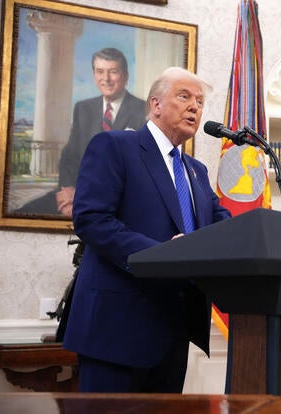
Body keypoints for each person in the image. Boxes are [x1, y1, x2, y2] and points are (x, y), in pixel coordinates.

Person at [62, 67, 232, 393]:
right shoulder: (115, 146)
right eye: (184, 96)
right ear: (155, 104)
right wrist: (161, 255)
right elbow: (92, 218)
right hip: (116, 329)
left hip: (174, 331)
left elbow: (220, 224)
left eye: (199, 101)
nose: (195, 106)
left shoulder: (196, 171)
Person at [16, 47, 146, 217]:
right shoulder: (83, 108)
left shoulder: (142, 110)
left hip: (117, 200)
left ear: (125, 76)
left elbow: (140, 168)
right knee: (24, 213)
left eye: (113, 72)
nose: (106, 79)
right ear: (94, 76)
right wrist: (69, 191)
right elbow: (69, 157)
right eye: (100, 72)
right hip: (78, 192)